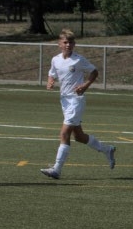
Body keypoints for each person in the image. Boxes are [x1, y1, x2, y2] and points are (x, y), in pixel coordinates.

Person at [40, 29, 116, 179]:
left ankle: (57, 169)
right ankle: (107, 150)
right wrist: (50, 81)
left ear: (74, 44)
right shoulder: (55, 59)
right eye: (65, 42)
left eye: (71, 42)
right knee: (79, 136)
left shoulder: (79, 60)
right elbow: (52, 73)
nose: (68, 45)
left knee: (64, 134)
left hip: (76, 100)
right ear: (59, 44)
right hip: (64, 100)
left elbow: (94, 72)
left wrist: (85, 85)